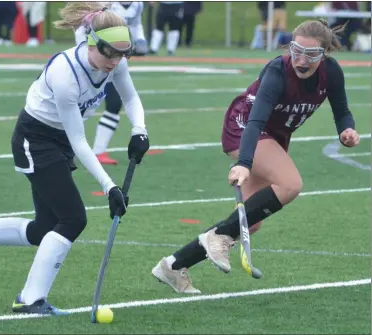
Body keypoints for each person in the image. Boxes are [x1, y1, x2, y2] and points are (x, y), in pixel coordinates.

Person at [0, 2, 150, 315]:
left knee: (45, 228)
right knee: (73, 219)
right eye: (110, 53)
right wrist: (109, 186)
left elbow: (132, 97)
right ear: (91, 42)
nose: (115, 62)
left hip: (60, 141)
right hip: (35, 139)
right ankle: (30, 300)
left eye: (122, 54)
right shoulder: (65, 74)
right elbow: (80, 139)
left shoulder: (114, 62)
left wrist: (139, 130)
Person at [151, 19, 360, 294]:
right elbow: (255, 122)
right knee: (290, 184)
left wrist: (347, 129)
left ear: (324, 55)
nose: (302, 59)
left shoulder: (331, 72)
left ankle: (174, 265)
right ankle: (218, 237)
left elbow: (342, 109)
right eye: (297, 50)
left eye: (312, 54)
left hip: (274, 136)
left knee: (253, 221)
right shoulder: (277, 70)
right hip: (246, 127)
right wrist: (244, 164)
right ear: (290, 47)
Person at [74, 1, 148, 165]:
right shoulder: (102, 5)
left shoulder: (137, 4)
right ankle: (65, 147)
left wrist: (140, 39)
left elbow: (136, 24)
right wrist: (84, 53)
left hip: (112, 57)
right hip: (92, 62)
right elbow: (82, 29)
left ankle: (98, 151)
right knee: (77, 108)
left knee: (114, 104)